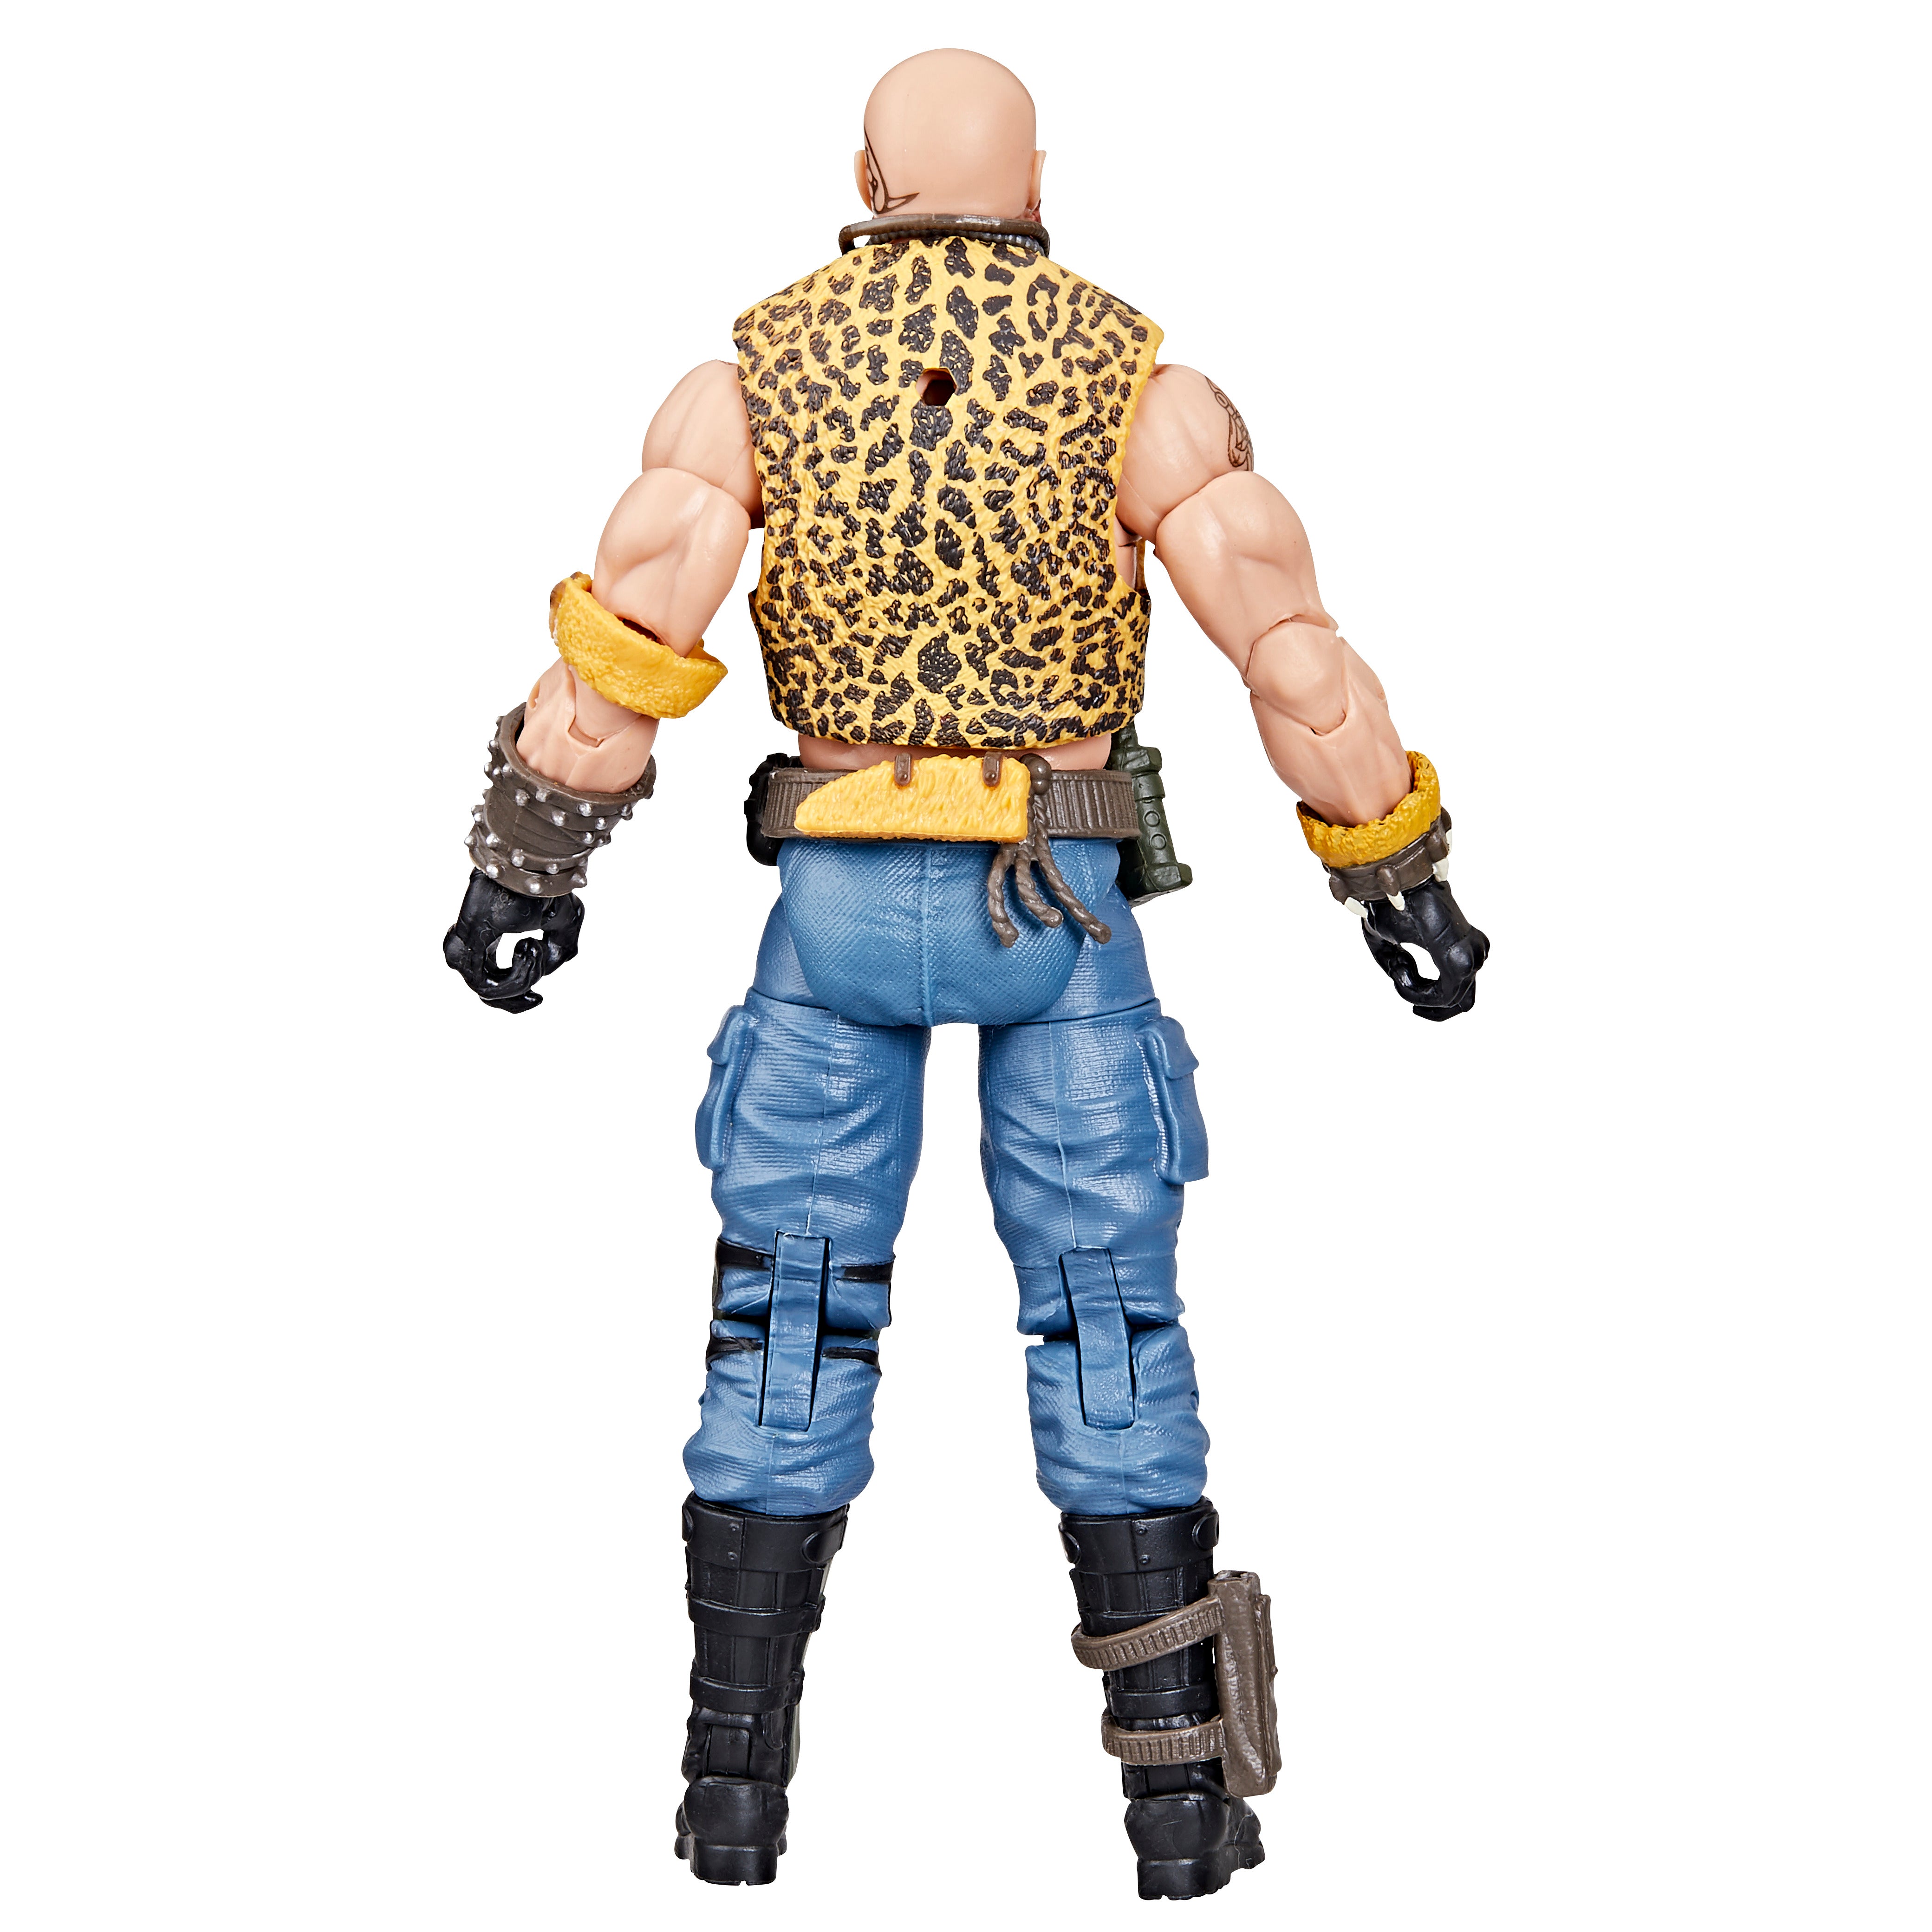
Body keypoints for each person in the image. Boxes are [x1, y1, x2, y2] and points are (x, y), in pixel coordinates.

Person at [444, 46, 1488, 1899]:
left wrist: (527, 859)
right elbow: (1289, 653)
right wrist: (1391, 870)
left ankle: (729, 1804)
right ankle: (1181, 1812)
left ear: (866, 177)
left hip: (835, 905)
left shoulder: (752, 378)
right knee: (1107, 1316)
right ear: (1036, 180)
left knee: (784, 1316)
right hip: (1053, 905)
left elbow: (628, 643)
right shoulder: (1138, 385)